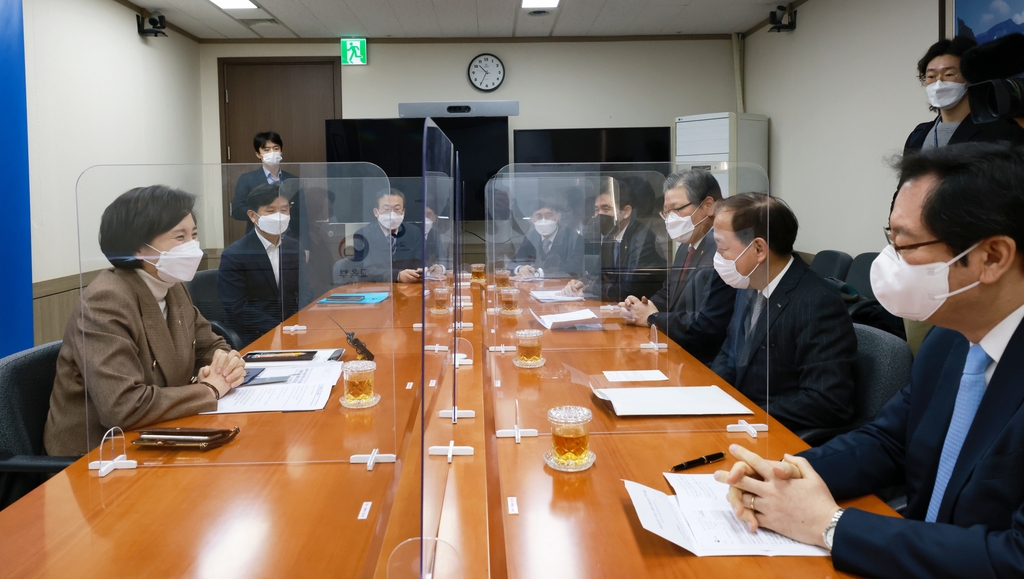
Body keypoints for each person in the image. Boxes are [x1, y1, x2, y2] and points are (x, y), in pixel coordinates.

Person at [717, 143, 1024, 578]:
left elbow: (1015, 557)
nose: (889, 260)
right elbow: (890, 442)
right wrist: (781, 475)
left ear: (992, 257)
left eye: (905, 242)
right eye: (889, 237)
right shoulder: (947, 342)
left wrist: (831, 525)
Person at [43, 185, 245, 457]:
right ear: (139, 248)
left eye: (194, 235)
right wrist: (209, 390)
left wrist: (224, 362)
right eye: (179, 237)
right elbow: (123, 406)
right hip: (99, 456)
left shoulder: (172, 286)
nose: (192, 246)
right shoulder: (106, 301)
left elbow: (209, 346)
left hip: (158, 435)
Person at [709, 193, 857, 432]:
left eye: (723, 248)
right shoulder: (749, 284)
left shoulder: (817, 303)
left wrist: (746, 417)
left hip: (774, 432)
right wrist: (715, 397)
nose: (718, 258)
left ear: (759, 249)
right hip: (736, 420)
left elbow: (828, 402)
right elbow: (729, 351)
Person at [619, 170, 735, 365]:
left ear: (708, 206)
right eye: (666, 212)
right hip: (676, 350)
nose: (670, 219)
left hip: (704, 358)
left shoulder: (723, 252)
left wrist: (652, 317)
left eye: (677, 209)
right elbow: (669, 292)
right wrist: (643, 306)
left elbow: (707, 324)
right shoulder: (685, 247)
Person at [218, 183, 300, 347]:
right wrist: (279, 328)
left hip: (294, 330)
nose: (279, 216)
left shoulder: (294, 247)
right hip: (253, 335)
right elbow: (237, 309)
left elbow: (305, 291)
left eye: (284, 210)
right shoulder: (234, 255)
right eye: (270, 211)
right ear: (252, 216)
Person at [564, 177, 665, 302]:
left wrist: (590, 287)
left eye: (606, 209)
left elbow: (628, 290)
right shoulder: (609, 237)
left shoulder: (643, 239)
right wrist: (579, 282)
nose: (599, 215)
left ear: (626, 212)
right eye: (596, 210)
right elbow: (597, 274)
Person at [350, 189, 424, 283]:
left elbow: (419, 262)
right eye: (386, 209)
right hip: (375, 288)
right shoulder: (362, 235)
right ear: (376, 212)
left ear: (403, 212)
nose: (392, 214)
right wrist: (397, 275)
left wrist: (421, 271)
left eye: (397, 209)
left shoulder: (414, 232)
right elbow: (363, 270)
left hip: (408, 288)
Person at [231, 131, 297, 235]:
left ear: (281, 151)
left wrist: (305, 245)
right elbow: (237, 210)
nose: (272, 152)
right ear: (258, 154)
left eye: (276, 148)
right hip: (257, 235)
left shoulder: (293, 180)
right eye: (266, 150)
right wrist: (264, 213)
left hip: (289, 237)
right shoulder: (247, 179)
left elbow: (302, 215)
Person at [510, 197, 584, 279]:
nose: (543, 220)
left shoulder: (573, 238)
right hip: (535, 287)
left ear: (558, 217)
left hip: (563, 287)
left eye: (549, 215)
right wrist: (520, 269)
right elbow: (513, 263)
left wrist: (539, 273)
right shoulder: (531, 237)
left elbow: (576, 268)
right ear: (532, 220)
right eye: (538, 216)